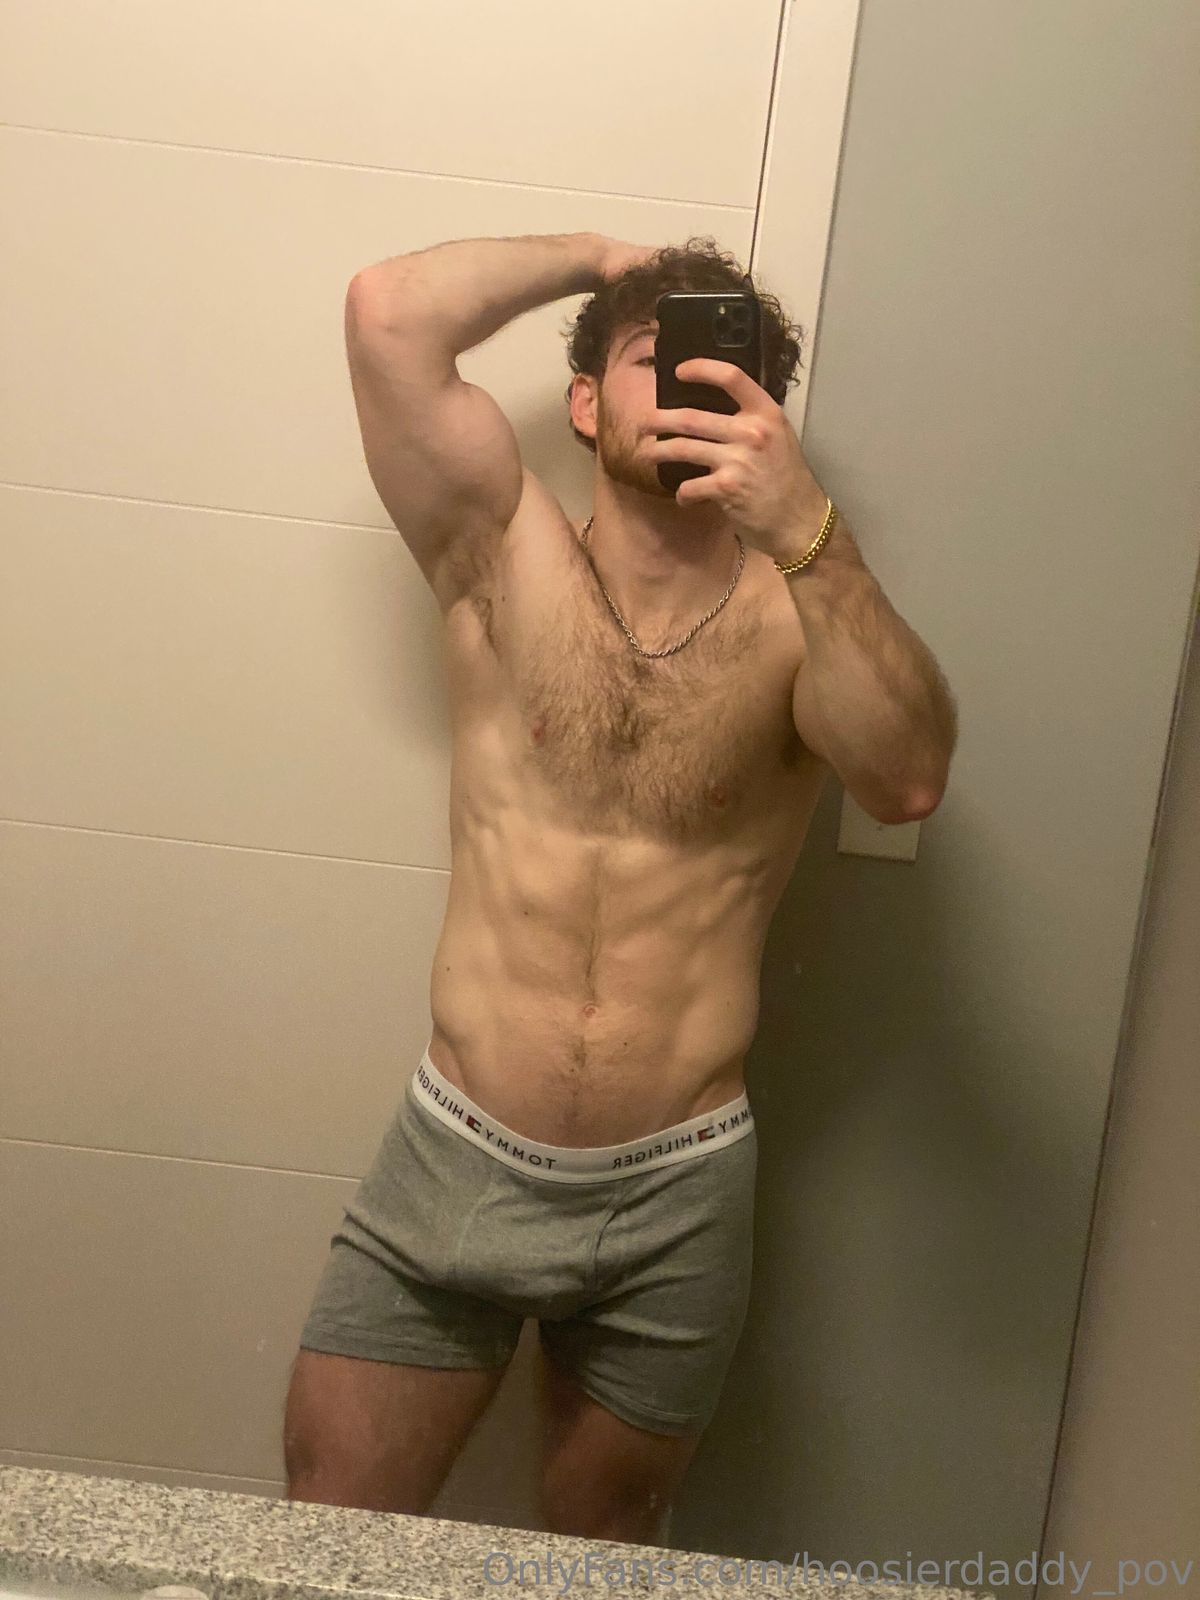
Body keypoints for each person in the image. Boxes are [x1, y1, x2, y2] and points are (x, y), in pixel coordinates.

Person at [282, 232, 957, 1540]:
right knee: (325, 1533)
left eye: (726, 371)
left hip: (677, 1187)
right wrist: (607, 258)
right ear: (585, 403)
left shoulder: (799, 616)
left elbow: (908, 779)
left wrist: (811, 535)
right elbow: (385, 314)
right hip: (456, 1150)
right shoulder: (496, 549)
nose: (690, 387)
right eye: (657, 358)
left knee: (604, 1561)